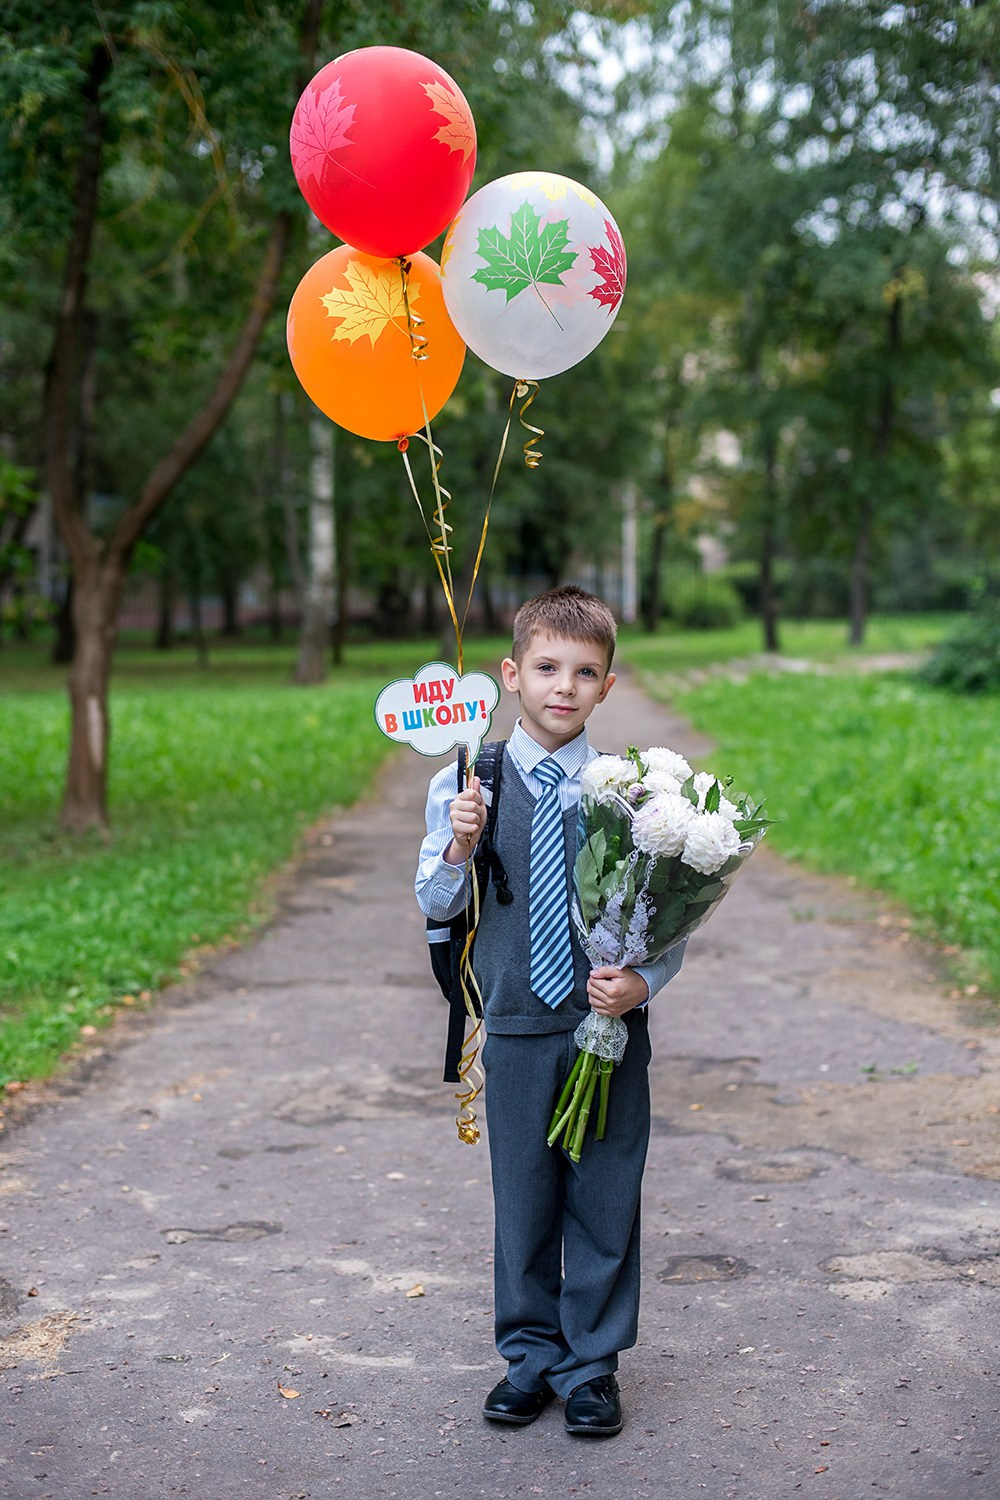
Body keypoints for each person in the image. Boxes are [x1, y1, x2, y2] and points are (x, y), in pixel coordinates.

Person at [415, 586, 687, 1438]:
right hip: (519, 1023)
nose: (563, 687)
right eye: (545, 669)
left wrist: (645, 984)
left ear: (608, 686)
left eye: (584, 672)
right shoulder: (468, 780)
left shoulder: (631, 794)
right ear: (510, 676)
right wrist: (460, 842)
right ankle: (529, 1357)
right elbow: (432, 899)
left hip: (605, 1029)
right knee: (523, 1196)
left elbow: (666, 911)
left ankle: (593, 1365)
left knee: (605, 1193)